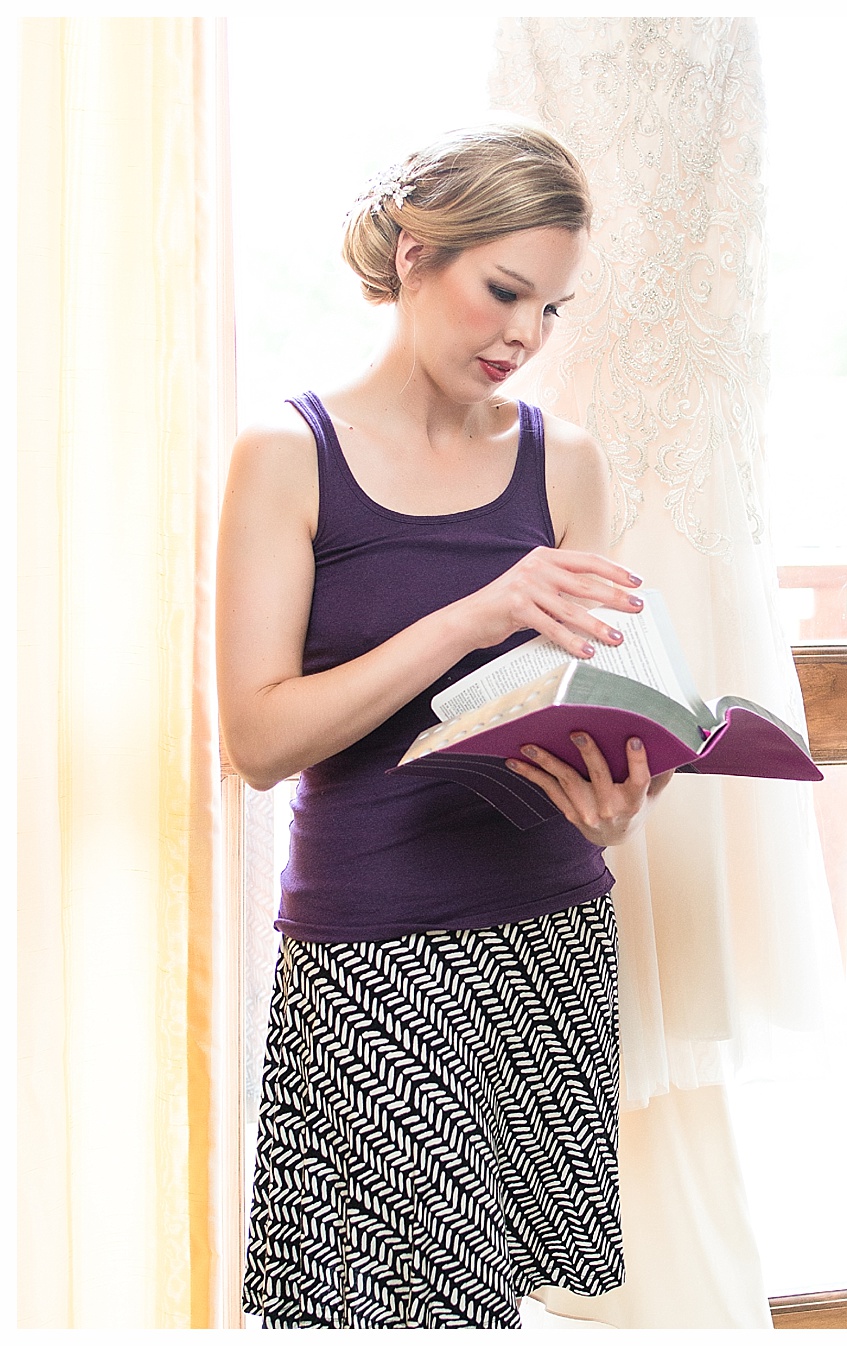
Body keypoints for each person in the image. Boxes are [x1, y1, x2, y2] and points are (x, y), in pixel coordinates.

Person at [217, 120, 666, 1329]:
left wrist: (616, 804)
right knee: (367, 1310)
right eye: (505, 291)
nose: (525, 334)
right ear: (416, 254)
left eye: (553, 308)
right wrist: (475, 613)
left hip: (549, 933)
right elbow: (258, 742)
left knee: (499, 1310)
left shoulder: (563, 461)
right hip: (371, 949)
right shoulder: (287, 450)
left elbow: (586, 705)